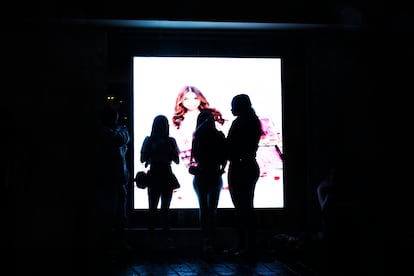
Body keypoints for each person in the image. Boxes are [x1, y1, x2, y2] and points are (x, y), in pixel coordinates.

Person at [226, 94, 263, 258]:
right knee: (246, 207)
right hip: (248, 165)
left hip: (240, 166)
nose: (231, 109)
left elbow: (230, 145)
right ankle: (248, 246)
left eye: (233, 105)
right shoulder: (254, 121)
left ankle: (244, 246)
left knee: (242, 208)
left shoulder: (240, 122)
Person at [190, 110, 227, 254]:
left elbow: (195, 157)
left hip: (201, 174)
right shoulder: (218, 136)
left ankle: (206, 241)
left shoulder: (197, 137)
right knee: (212, 209)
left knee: (204, 208)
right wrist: (221, 169)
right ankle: (211, 240)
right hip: (213, 173)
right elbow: (224, 157)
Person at [96, 105, 131, 256]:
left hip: (117, 179)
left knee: (118, 215)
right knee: (110, 214)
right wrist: (123, 130)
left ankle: (115, 244)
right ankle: (110, 246)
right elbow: (120, 139)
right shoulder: (106, 133)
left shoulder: (112, 132)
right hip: (109, 180)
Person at [140, 115, 180, 237]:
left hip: (156, 174)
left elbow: (143, 159)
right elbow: (177, 160)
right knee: (163, 208)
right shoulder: (170, 141)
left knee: (153, 207)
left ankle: (153, 235)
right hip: (165, 174)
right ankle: (164, 235)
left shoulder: (149, 140)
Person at [171, 85, 225, 169]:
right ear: (181, 100)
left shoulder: (211, 117)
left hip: (212, 161)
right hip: (186, 164)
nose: (191, 102)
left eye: (195, 98)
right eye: (186, 99)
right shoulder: (176, 122)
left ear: (200, 98)